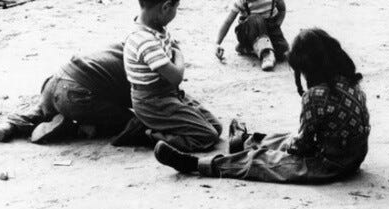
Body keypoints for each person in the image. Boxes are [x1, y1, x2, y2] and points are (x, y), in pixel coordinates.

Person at [156, 28, 370, 183]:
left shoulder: (314, 96)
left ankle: (196, 164)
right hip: (354, 156)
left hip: (329, 165)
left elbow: (302, 146)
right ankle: (246, 140)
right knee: (284, 138)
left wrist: (289, 149)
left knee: (259, 161)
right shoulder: (350, 82)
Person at [0, 43, 152, 146]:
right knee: (134, 122)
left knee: (41, 110)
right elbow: (144, 102)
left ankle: (7, 126)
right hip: (78, 95)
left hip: (55, 81)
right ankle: (74, 128)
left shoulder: (120, 48)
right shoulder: (145, 67)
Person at [124, 0, 222, 151]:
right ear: (166, 7)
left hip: (168, 95)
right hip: (153, 103)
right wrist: (179, 55)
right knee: (207, 136)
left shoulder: (155, 28)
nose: (176, 11)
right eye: (176, 7)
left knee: (216, 127)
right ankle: (148, 134)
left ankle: (161, 126)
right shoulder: (144, 40)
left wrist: (174, 52)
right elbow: (176, 76)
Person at [215, 0, 288, 71]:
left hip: (269, 30)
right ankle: (266, 55)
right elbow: (228, 22)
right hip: (248, 32)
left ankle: (248, 49)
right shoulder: (242, 0)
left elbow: (282, 9)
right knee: (256, 19)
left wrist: (278, 23)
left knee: (283, 49)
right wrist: (217, 43)